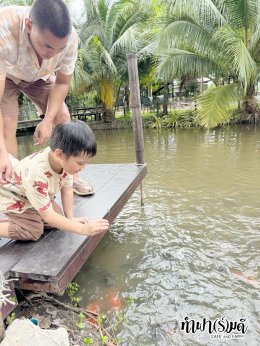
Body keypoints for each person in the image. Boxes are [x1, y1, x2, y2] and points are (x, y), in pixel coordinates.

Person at [0, 0, 93, 195]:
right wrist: (1, 153)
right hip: (7, 74)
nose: (52, 54)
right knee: (8, 124)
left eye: (60, 49)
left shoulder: (71, 39)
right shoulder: (4, 30)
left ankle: (70, 178)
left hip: (40, 76)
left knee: (62, 116)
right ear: (29, 26)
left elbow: (62, 83)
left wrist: (48, 120)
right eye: (47, 46)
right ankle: (13, 182)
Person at [0, 120, 109, 241]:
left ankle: (22, 220)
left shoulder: (63, 160)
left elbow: (67, 189)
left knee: (58, 220)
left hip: (33, 194)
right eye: (80, 163)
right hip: (15, 197)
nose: (83, 168)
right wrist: (82, 229)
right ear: (59, 154)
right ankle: (16, 222)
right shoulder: (36, 174)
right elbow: (48, 215)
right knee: (33, 231)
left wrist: (70, 218)